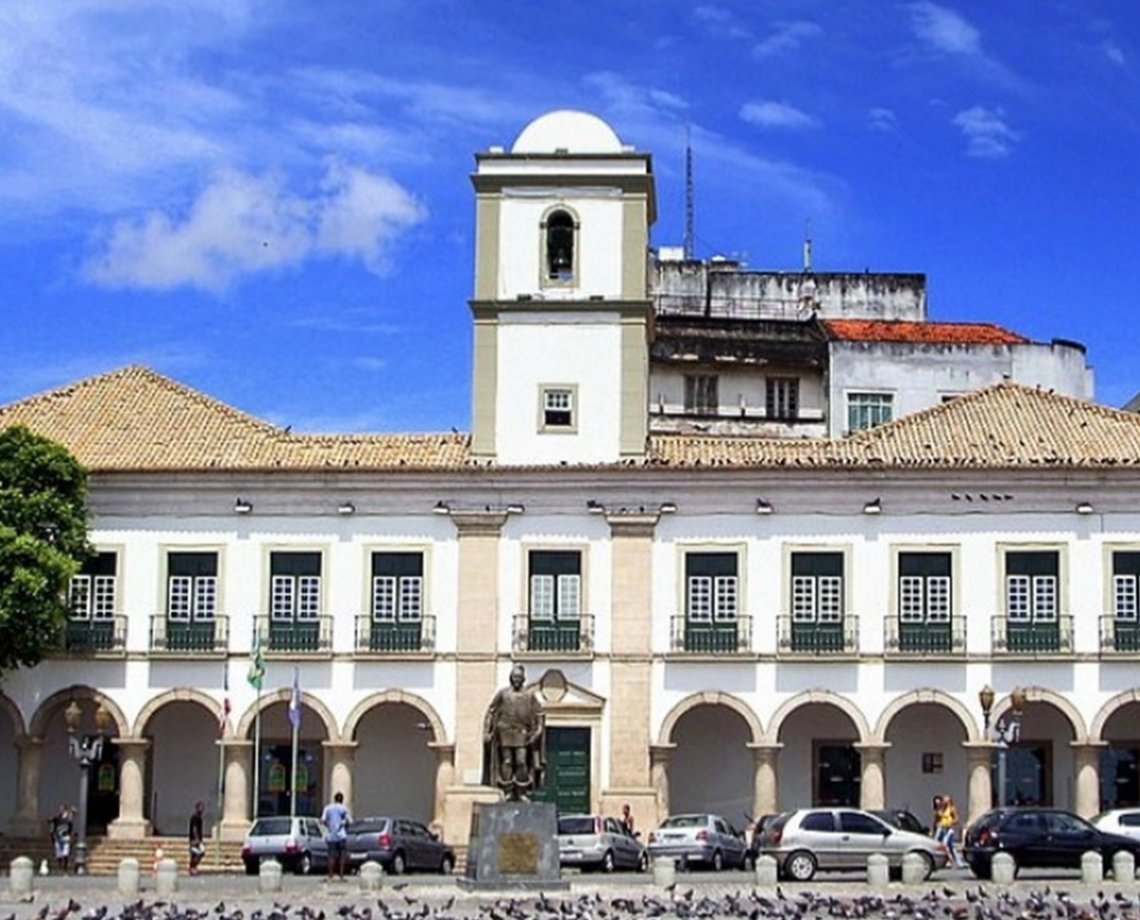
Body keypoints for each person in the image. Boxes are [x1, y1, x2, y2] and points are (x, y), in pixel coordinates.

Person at [483, 663, 545, 801]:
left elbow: (540, 713)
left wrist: (539, 730)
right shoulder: (503, 694)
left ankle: (521, 791)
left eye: (519, 677)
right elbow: (491, 711)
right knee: (507, 761)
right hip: (504, 731)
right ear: (511, 678)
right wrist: (487, 731)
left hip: (522, 732)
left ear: (523, 679)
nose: (517, 679)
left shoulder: (529, 696)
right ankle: (508, 791)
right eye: (514, 676)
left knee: (521, 761)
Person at [321, 791, 351, 880]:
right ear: (342, 800)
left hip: (331, 836)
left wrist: (329, 826)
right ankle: (341, 875)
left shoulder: (328, 808)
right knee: (342, 856)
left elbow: (322, 820)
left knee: (331, 856)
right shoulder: (344, 809)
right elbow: (349, 820)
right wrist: (343, 824)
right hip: (341, 835)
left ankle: (330, 875)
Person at [936, 794, 965, 869]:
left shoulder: (952, 809)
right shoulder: (940, 809)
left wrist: (950, 822)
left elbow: (957, 819)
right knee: (949, 847)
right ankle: (959, 862)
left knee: (944, 845)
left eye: (947, 801)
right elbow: (936, 819)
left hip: (948, 829)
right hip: (941, 828)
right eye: (944, 800)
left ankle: (950, 860)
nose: (945, 802)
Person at [49, 804, 74, 872]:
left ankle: (65, 868)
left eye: (62, 809)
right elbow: (52, 821)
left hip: (65, 837)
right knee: (58, 852)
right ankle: (60, 864)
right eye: (60, 809)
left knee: (65, 853)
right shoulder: (57, 818)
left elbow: (70, 825)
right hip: (58, 837)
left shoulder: (68, 818)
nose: (60, 810)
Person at [187, 801, 206, 875]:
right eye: (200, 807)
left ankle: (193, 867)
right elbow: (194, 828)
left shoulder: (199, 818)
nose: (202, 809)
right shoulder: (195, 817)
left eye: (203, 808)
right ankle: (192, 867)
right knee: (198, 853)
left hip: (197, 839)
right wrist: (196, 839)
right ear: (197, 808)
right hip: (194, 839)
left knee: (196, 854)